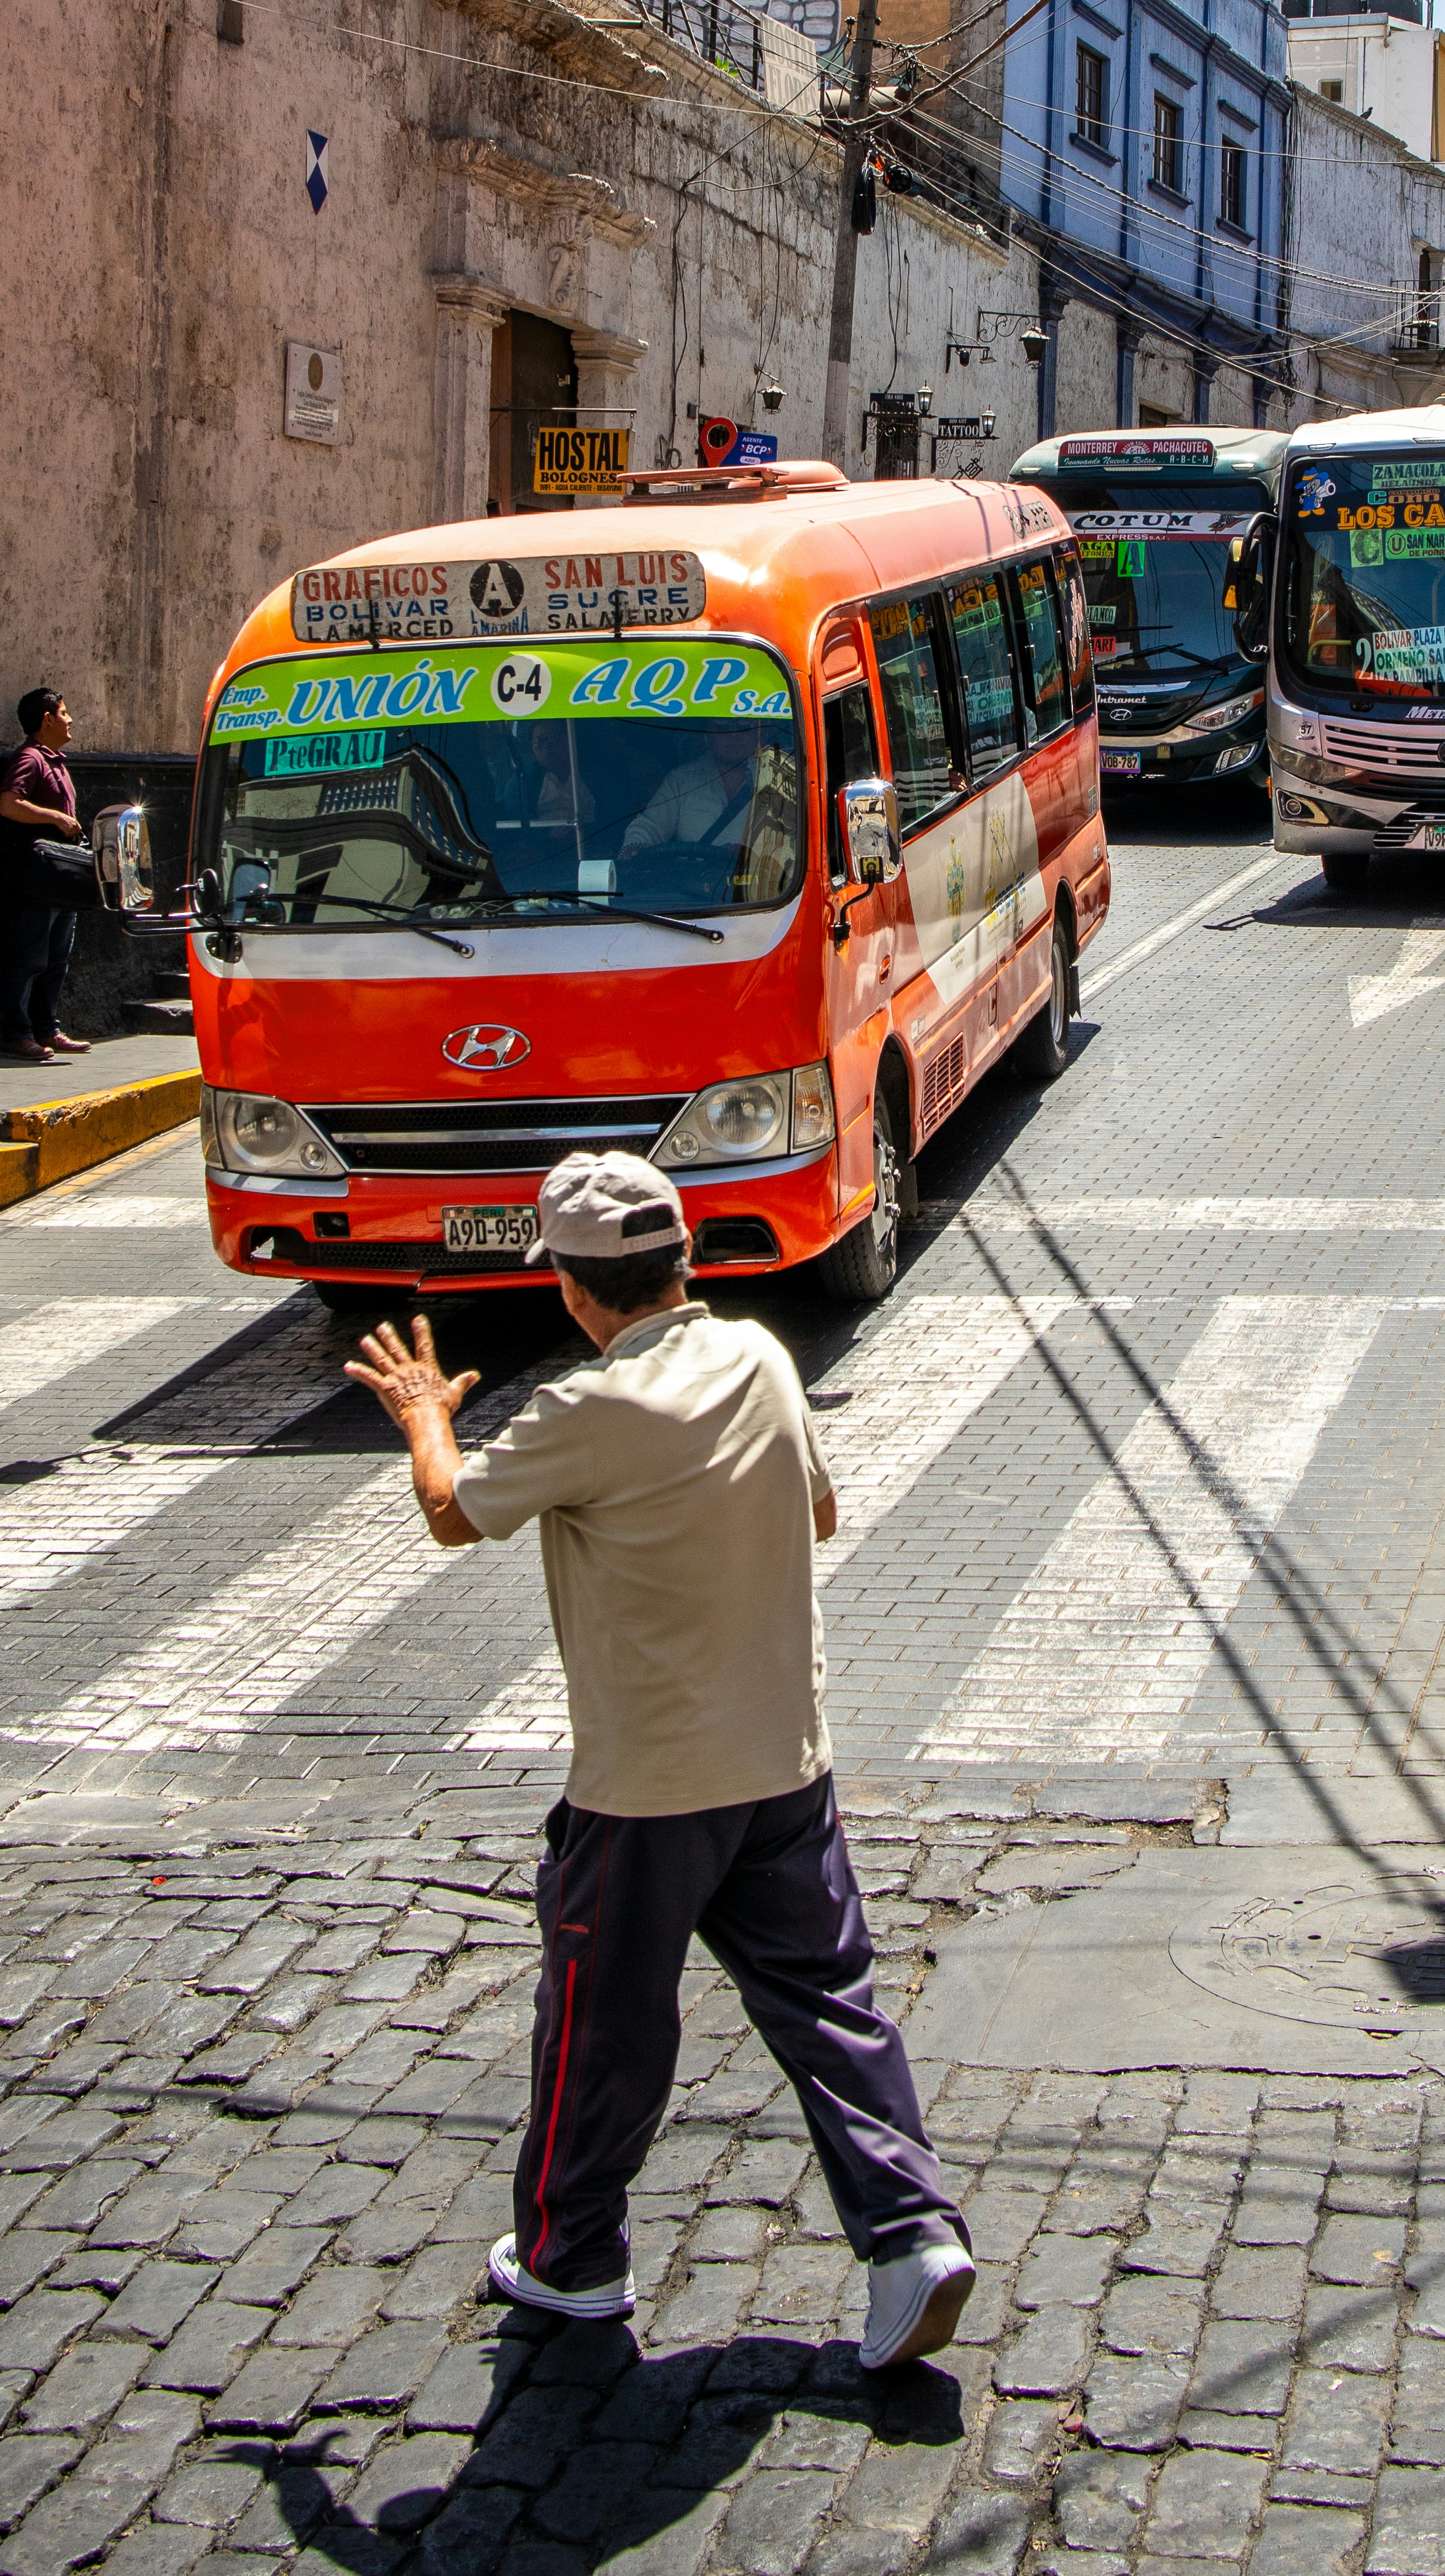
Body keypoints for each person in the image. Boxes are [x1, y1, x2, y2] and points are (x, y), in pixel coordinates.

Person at [345, 1152, 974, 2375]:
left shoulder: (585, 1409)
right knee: (830, 2007)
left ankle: (574, 2254)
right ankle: (912, 2234)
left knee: (602, 2026)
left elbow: (452, 1510)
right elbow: (818, 1512)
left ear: (574, 1288)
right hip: (783, 1759)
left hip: (645, 1788)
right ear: (681, 1260)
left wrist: (424, 1414)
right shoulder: (758, 1356)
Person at [0, 687, 91, 1066]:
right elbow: (9, 804)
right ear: (47, 719)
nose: (70, 720)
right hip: (38, 879)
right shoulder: (30, 758)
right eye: (64, 714)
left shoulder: (56, 761)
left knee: (56, 958)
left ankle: (47, 1028)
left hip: (61, 879)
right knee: (29, 958)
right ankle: (17, 1034)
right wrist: (55, 818)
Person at [620, 718, 763, 859]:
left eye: (745, 725)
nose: (734, 734)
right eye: (722, 726)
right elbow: (650, 827)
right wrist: (634, 850)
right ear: (707, 735)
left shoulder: (775, 779)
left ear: (761, 733)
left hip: (764, 874)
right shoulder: (681, 780)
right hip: (690, 874)